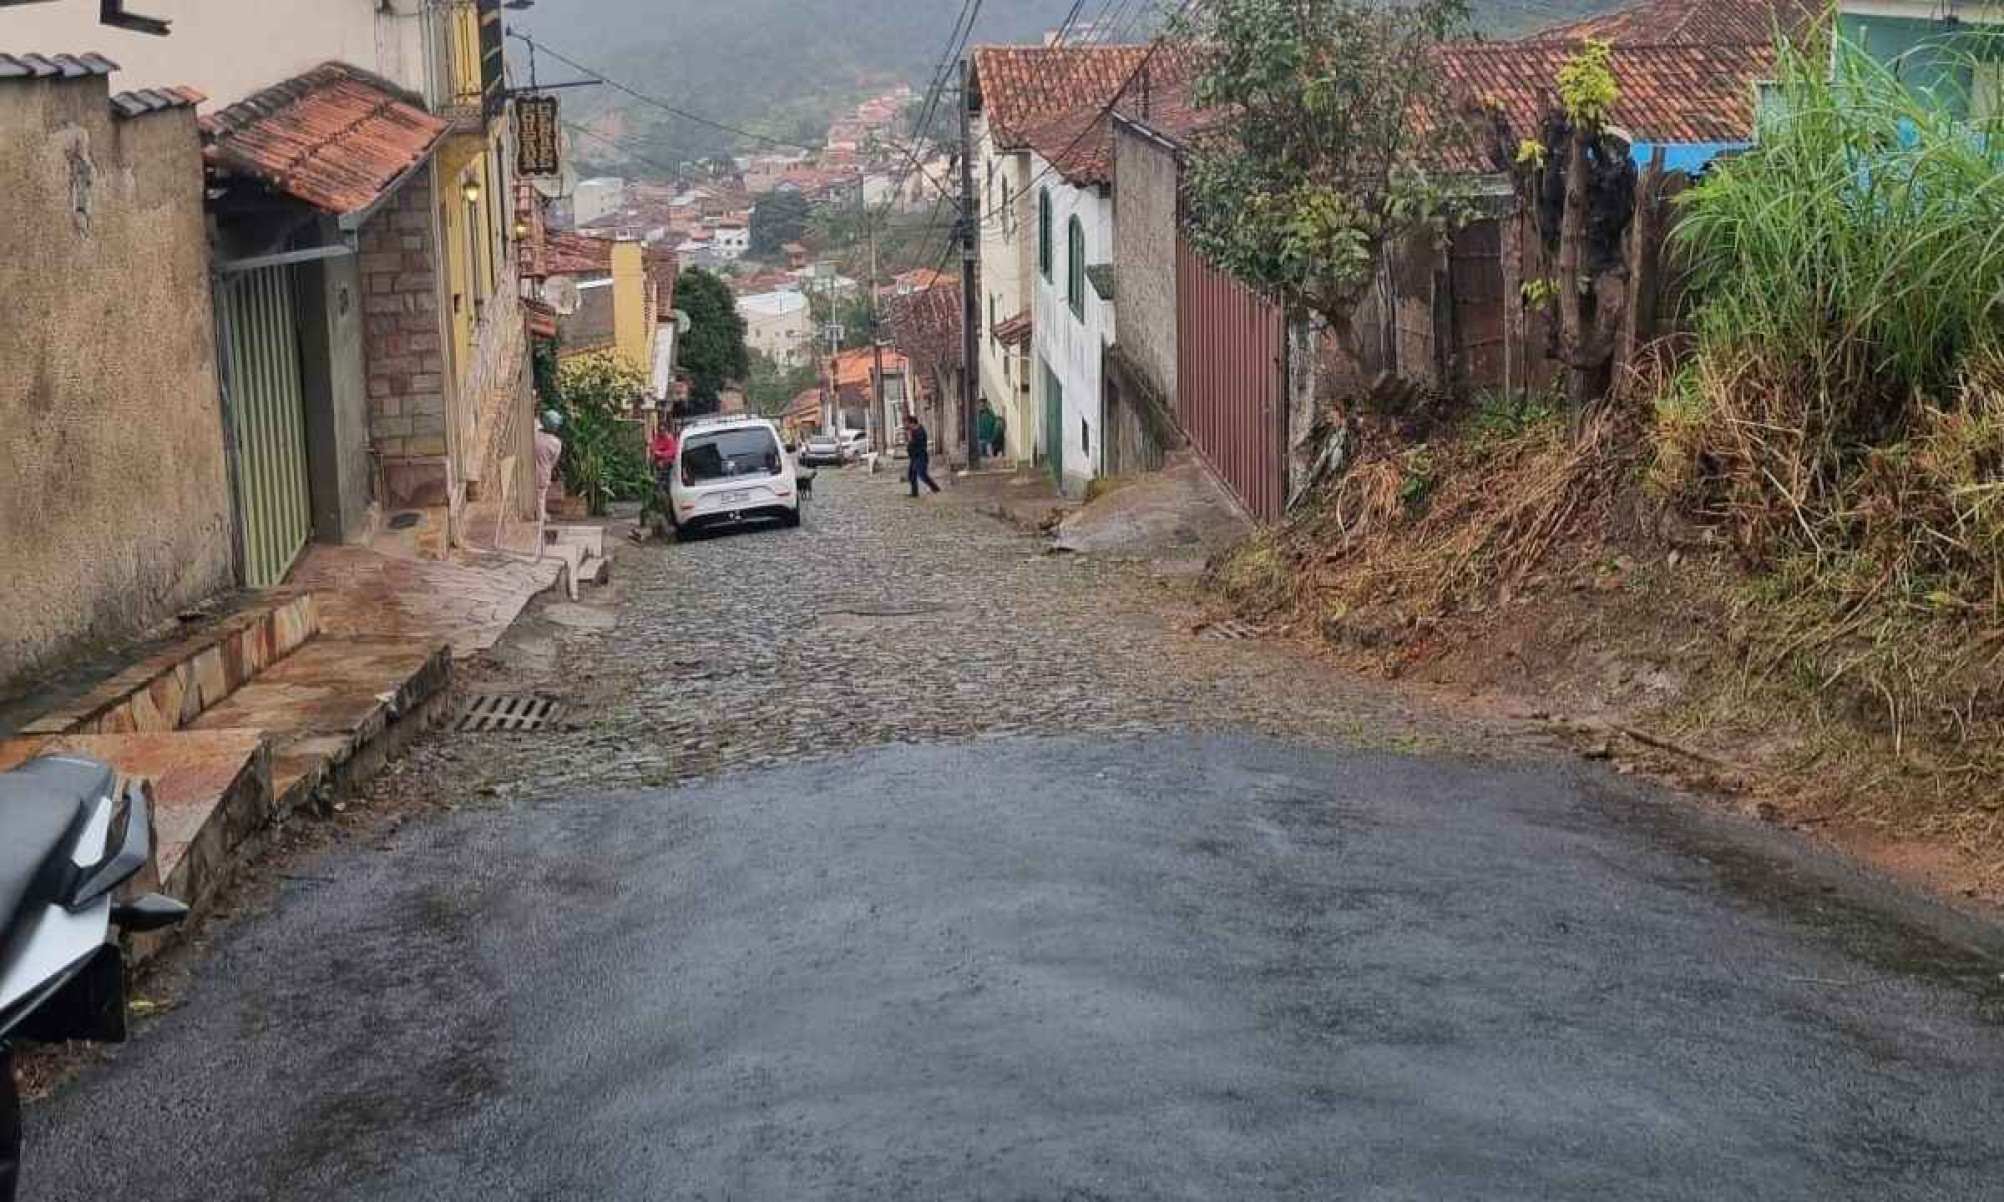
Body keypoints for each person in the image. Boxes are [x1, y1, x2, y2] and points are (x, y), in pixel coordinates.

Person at [904, 412, 940, 497]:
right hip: (914, 457)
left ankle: (935, 489)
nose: (906, 425)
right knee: (911, 475)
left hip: (921, 457)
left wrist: (910, 439)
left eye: (907, 423)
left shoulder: (919, 431)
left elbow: (916, 444)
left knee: (922, 474)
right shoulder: (913, 431)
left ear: (912, 423)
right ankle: (914, 493)